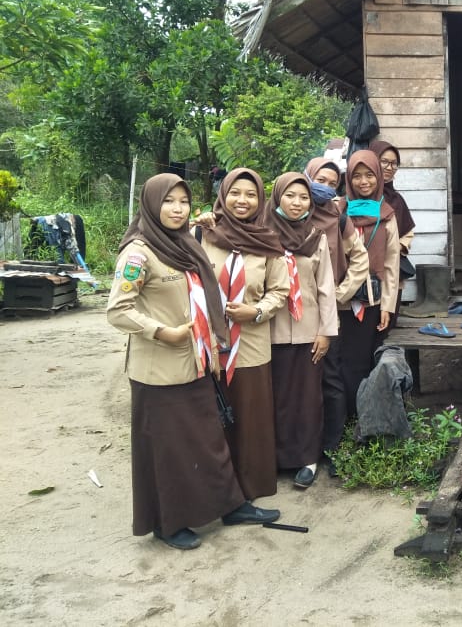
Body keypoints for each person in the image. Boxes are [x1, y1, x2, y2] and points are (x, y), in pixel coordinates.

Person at [107, 173, 279, 551]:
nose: (178, 209)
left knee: (209, 442)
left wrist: (210, 345)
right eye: (169, 201)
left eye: (183, 202)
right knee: (169, 450)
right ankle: (168, 523)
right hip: (159, 372)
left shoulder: (185, 243)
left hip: (197, 363)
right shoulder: (139, 252)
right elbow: (118, 310)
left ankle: (231, 505)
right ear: (151, 204)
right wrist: (160, 332)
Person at [200, 168, 289, 500]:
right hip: (209, 343)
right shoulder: (203, 235)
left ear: (260, 200)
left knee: (251, 417)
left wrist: (256, 311)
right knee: (212, 417)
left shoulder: (268, 242)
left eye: (251, 194)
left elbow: (279, 290)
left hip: (251, 344)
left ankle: (251, 487)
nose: (243, 200)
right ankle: (217, 490)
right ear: (223, 195)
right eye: (235, 193)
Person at [266, 172, 338, 489]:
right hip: (270, 330)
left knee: (308, 398)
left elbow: (326, 288)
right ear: (277, 197)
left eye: (304, 197)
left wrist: (326, 331)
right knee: (277, 398)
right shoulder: (262, 235)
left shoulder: (315, 237)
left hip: (309, 330)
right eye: (290, 196)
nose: (297, 203)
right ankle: (277, 458)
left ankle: (307, 459)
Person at [303, 157, 369, 471]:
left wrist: (339, 295)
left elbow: (360, 259)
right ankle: (301, 448)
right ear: (306, 177)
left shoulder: (338, 218)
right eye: (320, 180)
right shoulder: (284, 213)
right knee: (299, 381)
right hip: (290, 315)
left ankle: (331, 446)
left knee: (331, 378)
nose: (326, 188)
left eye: (332, 183)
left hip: (328, 315)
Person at [333, 149, 401, 433]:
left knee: (364, 360)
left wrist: (388, 306)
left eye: (369, 175)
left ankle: (366, 419)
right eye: (357, 176)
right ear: (348, 178)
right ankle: (346, 418)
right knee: (341, 361)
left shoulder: (387, 214)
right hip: (339, 299)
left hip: (372, 300)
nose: (363, 182)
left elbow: (392, 264)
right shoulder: (337, 210)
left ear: (379, 177)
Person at [369, 140, 417, 325]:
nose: (390, 167)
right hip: (364, 270)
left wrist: (396, 247)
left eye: (394, 163)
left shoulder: (397, 200)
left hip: (392, 268)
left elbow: (408, 232)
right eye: (384, 162)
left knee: (388, 324)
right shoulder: (360, 197)